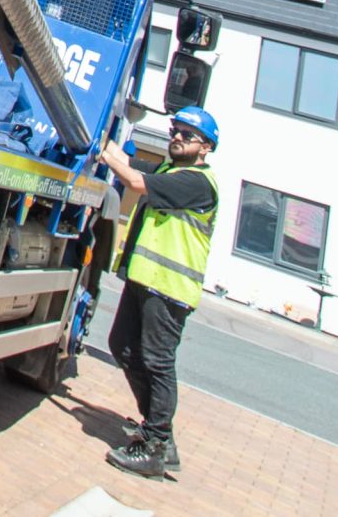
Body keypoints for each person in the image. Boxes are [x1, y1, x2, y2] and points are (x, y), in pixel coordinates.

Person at [96, 106, 220, 479]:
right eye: (176, 130)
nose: (177, 137)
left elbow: (134, 181)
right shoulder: (171, 171)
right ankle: (159, 433)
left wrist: (105, 154)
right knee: (123, 346)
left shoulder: (198, 182)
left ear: (206, 148)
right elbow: (123, 160)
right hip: (145, 280)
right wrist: (102, 140)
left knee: (157, 362)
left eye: (188, 134)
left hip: (169, 289)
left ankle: (154, 446)